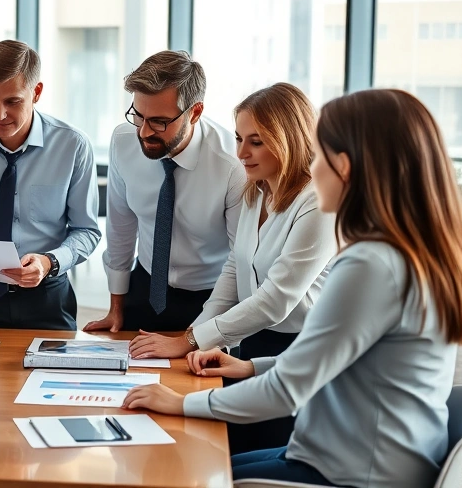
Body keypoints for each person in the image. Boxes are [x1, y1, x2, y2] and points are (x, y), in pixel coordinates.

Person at [123, 89, 462, 488]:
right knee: (202, 458)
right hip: (347, 455)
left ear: (344, 166)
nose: (312, 164)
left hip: (354, 473)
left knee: (186, 472)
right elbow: (332, 360)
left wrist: (182, 403)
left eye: (319, 153)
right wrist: (250, 366)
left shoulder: (370, 265)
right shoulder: (399, 253)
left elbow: (290, 388)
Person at [127, 83, 337, 454]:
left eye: (256, 142)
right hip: (249, 344)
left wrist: (190, 340)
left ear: (290, 139)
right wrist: (196, 332)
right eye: (239, 138)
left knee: (234, 457)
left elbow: (274, 301)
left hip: (293, 354)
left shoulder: (318, 203)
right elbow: (234, 268)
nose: (241, 153)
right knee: (210, 447)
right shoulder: (257, 189)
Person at [0, 40, 100, 330]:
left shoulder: (73, 146)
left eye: (12, 101)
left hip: (47, 296)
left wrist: (49, 262)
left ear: (36, 92)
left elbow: (86, 230)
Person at [85, 50, 245, 334]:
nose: (144, 132)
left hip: (210, 297)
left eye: (159, 121)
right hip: (144, 286)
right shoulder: (124, 142)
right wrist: (116, 307)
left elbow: (240, 258)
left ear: (194, 113)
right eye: (138, 115)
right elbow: (120, 230)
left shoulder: (231, 164)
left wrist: (199, 334)